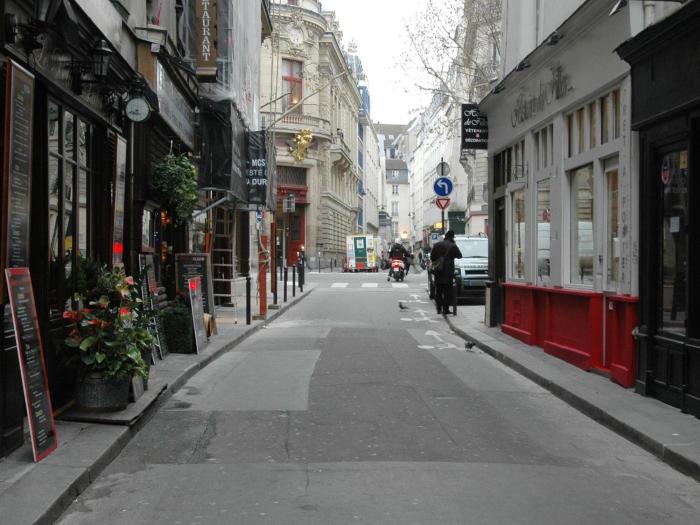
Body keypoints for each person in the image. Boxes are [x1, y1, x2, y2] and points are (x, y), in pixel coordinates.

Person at [430, 230, 462, 315]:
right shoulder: (453, 246)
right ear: (452, 237)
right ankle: (445, 309)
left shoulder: (437, 245)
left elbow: (432, 257)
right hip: (448, 273)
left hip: (438, 272)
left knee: (438, 291)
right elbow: (460, 256)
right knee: (448, 292)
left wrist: (439, 260)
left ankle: (438, 308)